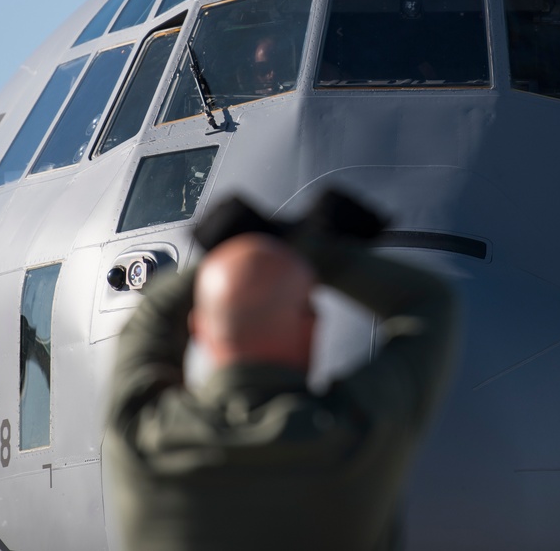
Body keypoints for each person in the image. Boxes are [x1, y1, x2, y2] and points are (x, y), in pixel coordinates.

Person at [103, 192, 459, 551]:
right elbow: (428, 301)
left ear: (199, 328)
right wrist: (306, 248)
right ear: (312, 326)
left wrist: (241, 247)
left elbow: (150, 318)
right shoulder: (355, 435)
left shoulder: (144, 440)